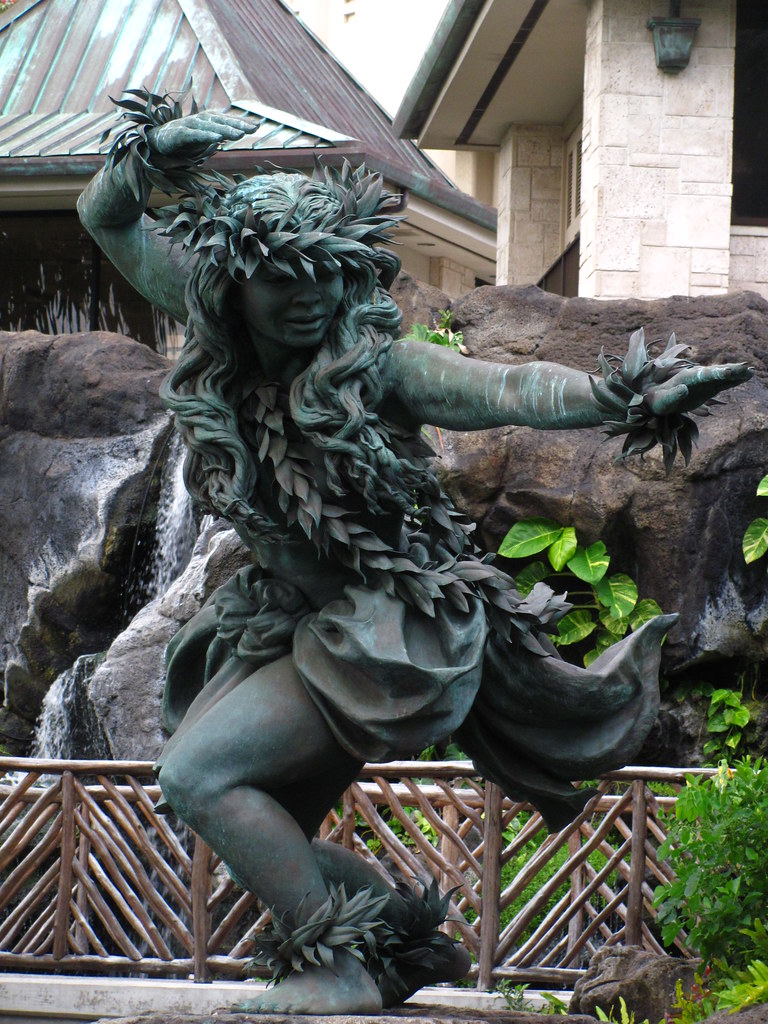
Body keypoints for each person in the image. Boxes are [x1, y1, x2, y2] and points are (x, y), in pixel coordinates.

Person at [78, 94, 751, 1015]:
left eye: (330, 273)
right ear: (234, 282)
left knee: (199, 777)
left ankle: (340, 971)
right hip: (291, 618)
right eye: (285, 276)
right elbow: (105, 215)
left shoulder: (380, 367)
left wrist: (623, 394)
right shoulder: (217, 335)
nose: (310, 295)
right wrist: (147, 154)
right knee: (264, 820)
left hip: (386, 625)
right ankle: (398, 941)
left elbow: (510, 386)